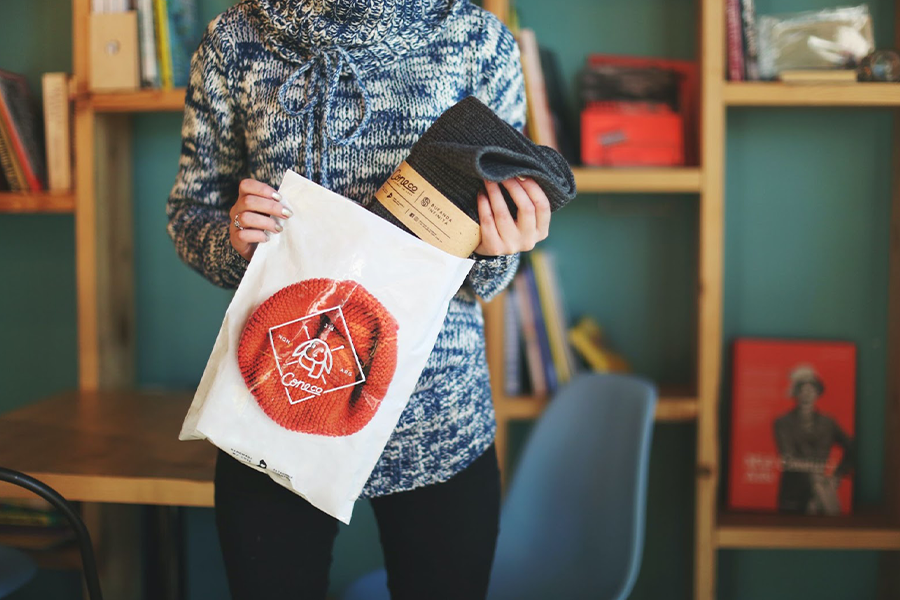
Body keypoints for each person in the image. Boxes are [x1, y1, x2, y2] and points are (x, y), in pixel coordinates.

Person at [165, 1, 550, 598]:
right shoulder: (235, 40)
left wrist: (500, 249)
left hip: (437, 424)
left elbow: (486, 283)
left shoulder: (477, 40)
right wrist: (231, 239)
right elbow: (190, 212)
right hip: (277, 404)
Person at [773, 365, 854, 515]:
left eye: (812, 389)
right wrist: (817, 476)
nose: (807, 394)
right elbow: (788, 457)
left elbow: (852, 448)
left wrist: (837, 475)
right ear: (796, 393)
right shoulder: (783, 422)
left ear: (818, 393)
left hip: (823, 486)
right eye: (803, 389)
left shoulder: (828, 422)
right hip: (794, 489)